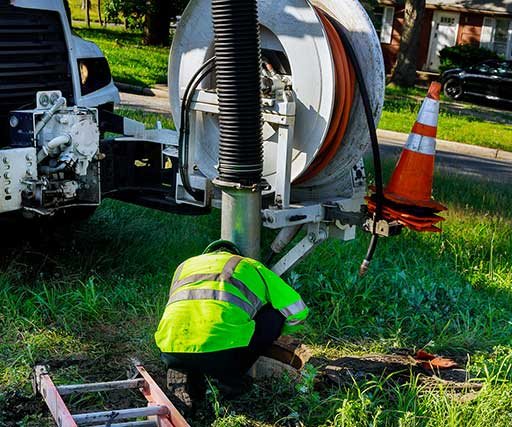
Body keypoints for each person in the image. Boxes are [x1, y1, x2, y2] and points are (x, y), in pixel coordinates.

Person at [155, 240, 308, 410]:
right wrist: (279, 333)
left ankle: (186, 373)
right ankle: (231, 380)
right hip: (225, 355)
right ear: (235, 254)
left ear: (207, 255)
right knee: (276, 312)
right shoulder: (248, 264)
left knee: (189, 326)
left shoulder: (184, 266)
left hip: (170, 348)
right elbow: (297, 310)